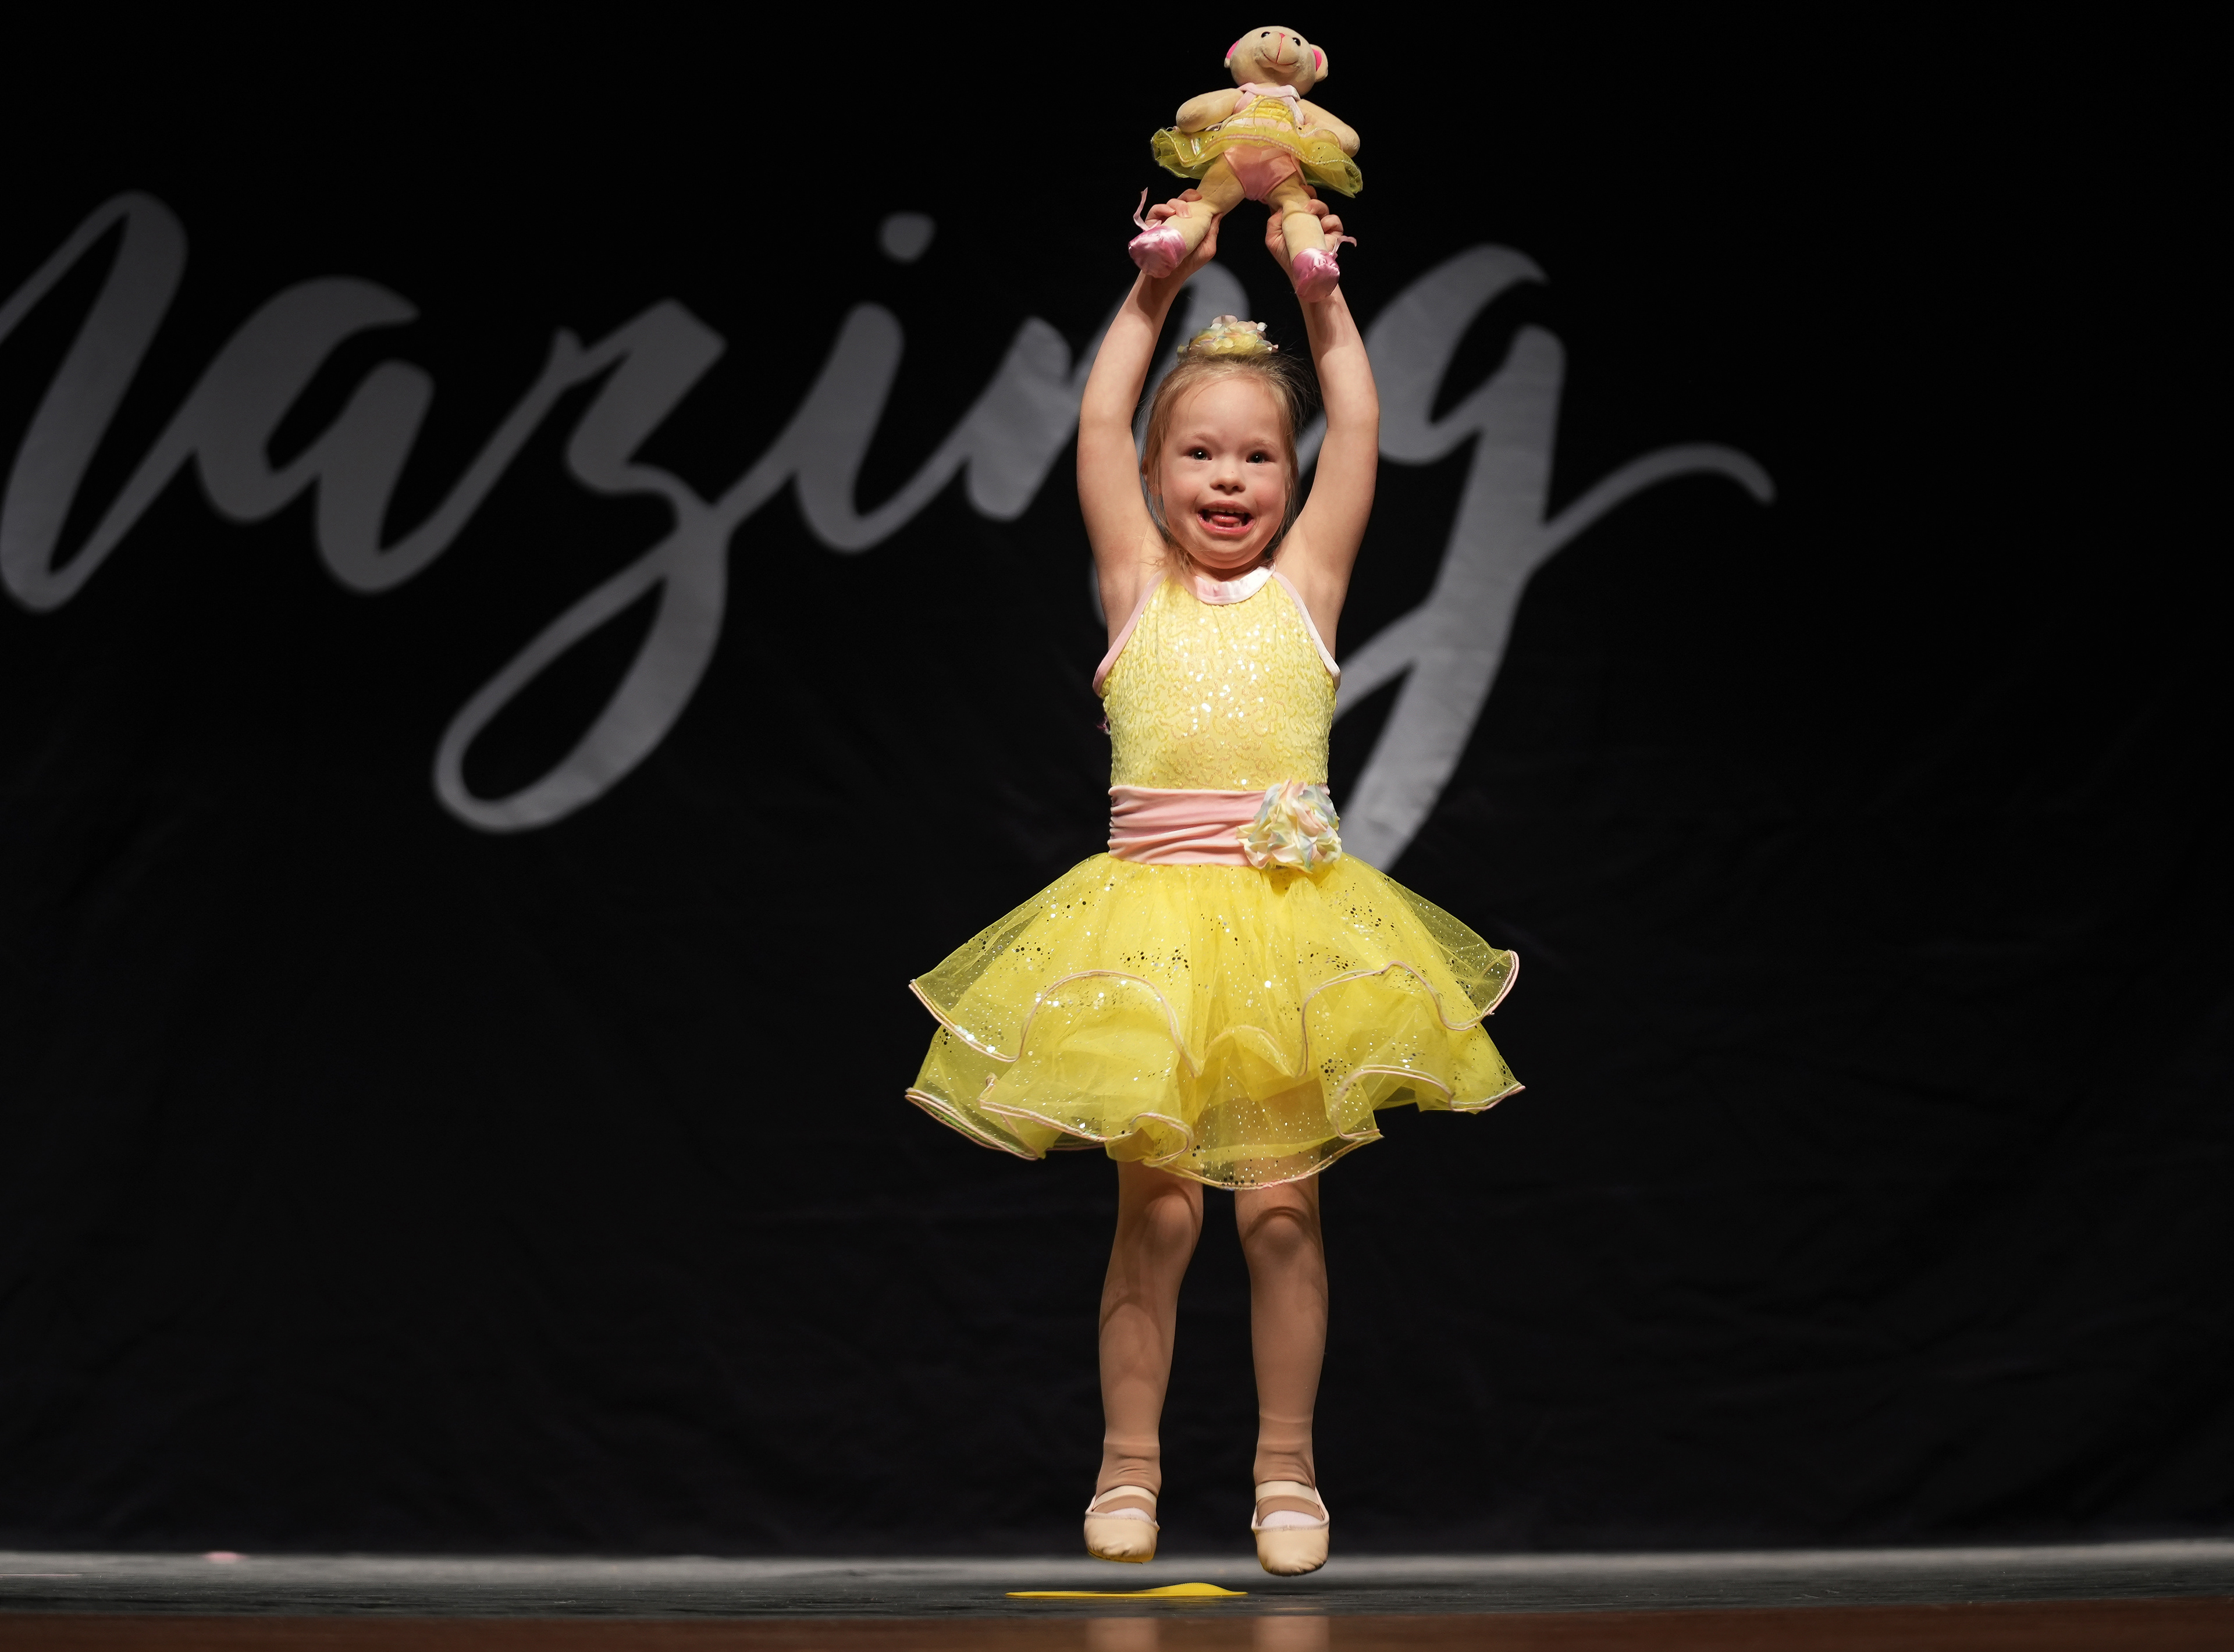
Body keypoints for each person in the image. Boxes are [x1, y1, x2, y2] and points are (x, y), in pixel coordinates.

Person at [903, 191, 1521, 1576]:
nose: (1228, 479)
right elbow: (1091, 425)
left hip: (1290, 939)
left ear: (1292, 479)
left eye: (1256, 455)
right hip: (1156, 934)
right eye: (1198, 453)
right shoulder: (1135, 583)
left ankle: (1286, 1472)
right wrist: (1156, 282)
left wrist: (1320, 291)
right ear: (1158, 469)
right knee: (1162, 1208)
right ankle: (1128, 1467)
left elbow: (1359, 417)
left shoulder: (1310, 582)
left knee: (1285, 1209)